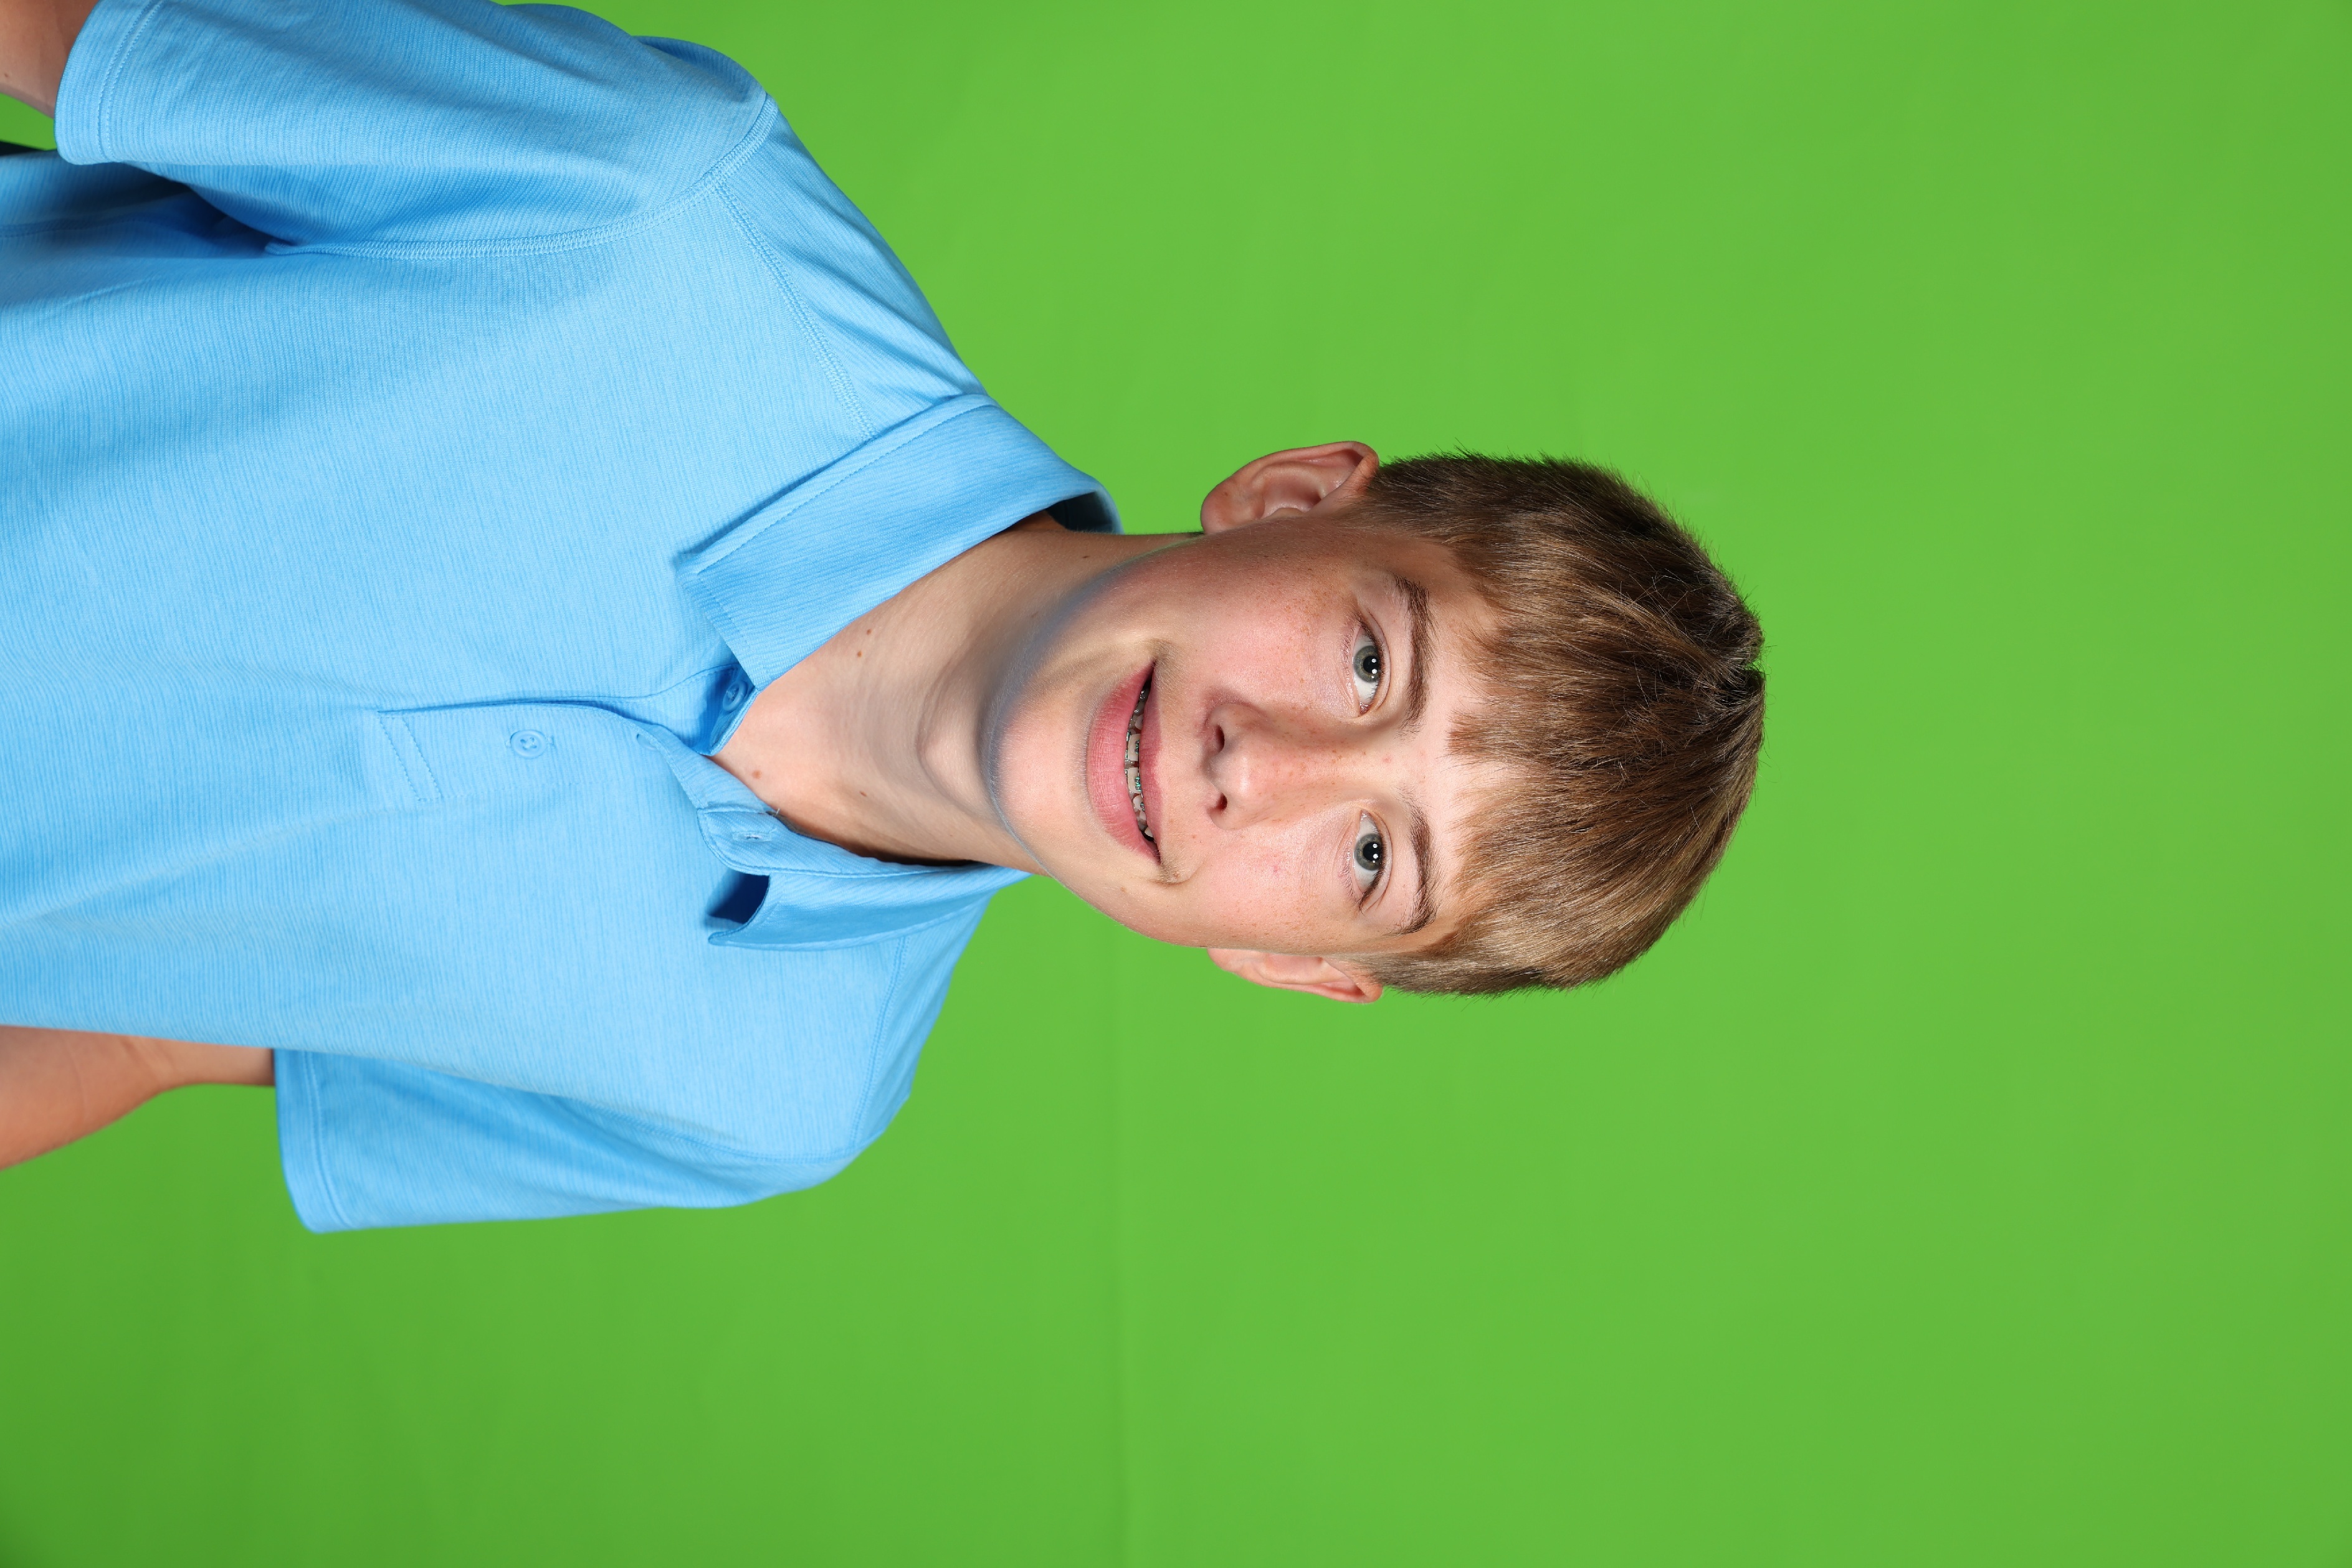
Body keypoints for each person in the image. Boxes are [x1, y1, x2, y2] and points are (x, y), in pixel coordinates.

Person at [0, 0, 1765, 1229]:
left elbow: (146, 1030)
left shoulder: (773, 1096)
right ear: (1292, 499)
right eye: (1370, 662)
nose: (1268, 766)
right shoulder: (659, 206)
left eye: (1374, 858)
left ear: (1295, 966)